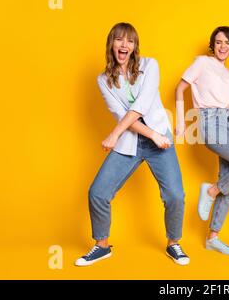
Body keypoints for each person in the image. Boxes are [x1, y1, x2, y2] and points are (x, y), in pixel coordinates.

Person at [75, 22, 189, 266]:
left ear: (135, 46)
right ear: (111, 45)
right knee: (98, 192)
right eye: (119, 40)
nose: (124, 45)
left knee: (175, 195)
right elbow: (122, 114)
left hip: (160, 141)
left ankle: (174, 243)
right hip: (131, 142)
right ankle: (102, 246)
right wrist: (130, 134)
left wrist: (116, 134)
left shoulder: (150, 65)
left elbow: (142, 105)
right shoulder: (103, 80)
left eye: (129, 41)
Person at [175, 26, 229, 255]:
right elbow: (180, 88)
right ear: (212, 45)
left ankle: (213, 237)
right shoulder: (202, 63)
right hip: (211, 120)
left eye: (227, 43)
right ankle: (211, 191)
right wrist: (182, 121)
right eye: (218, 42)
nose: (222, 46)